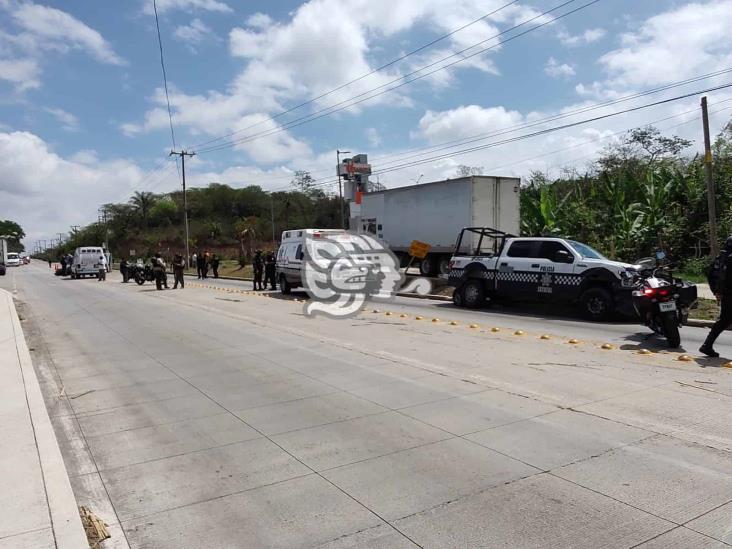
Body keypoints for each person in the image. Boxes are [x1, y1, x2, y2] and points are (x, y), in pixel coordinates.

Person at [700, 236, 732, 357]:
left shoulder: (720, 258)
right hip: (730, 294)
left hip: (725, 294)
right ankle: (706, 345)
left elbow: (710, 275)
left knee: (724, 320)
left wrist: (716, 292)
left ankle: (707, 345)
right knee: (724, 320)